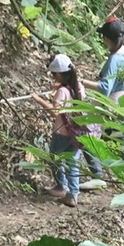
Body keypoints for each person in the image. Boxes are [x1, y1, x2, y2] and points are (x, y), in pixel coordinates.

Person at [79, 17, 124, 190]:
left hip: (113, 104)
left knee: (87, 132)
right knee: (120, 141)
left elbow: (105, 88)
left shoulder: (114, 60)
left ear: (107, 39)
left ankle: (98, 175)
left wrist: (82, 81)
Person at [30, 54, 84, 208]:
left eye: (54, 75)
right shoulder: (78, 86)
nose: (53, 77)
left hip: (62, 133)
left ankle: (61, 187)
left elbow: (56, 112)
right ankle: (73, 193)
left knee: (55, 159)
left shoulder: (62, 92)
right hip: (77, 133)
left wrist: (38, 100)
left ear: (59, 74)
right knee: (72, 162)